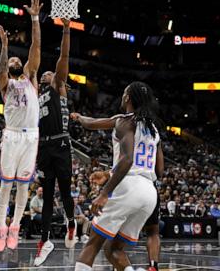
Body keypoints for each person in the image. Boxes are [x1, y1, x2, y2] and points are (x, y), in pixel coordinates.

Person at [71, 82, 163, 271]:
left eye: (123, 93)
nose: (122, 96)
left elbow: (128, 158)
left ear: (128, 97)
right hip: (149, 193)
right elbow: (159, 171)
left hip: (128, 186)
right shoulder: (153, 129)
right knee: (113, 249)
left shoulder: (124, 120)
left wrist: (105, 193)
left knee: (93, 244)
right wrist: (80, 118)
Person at [0, 0, 43, 252]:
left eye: (16, 59)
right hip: (12, 135)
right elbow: (1, 70)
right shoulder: (6, 84)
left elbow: (35, 47)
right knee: (6, 183)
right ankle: (1, 226)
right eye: (11, 60)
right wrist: (4, 46)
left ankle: (15, 227)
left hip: (31, 136)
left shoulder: (31, 76)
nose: (14, 60)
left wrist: (35, 18)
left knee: (24, 184)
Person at [34, 18, 77, 266]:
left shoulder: (58, 86)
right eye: (46, 72)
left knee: (64, 190)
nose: (47, 73)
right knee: (47, 196)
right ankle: (45, 240)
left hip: (61, 144)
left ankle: (71, 221)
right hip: (44, 147)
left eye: (50, 72)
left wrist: (67, 30)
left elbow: (64, 55)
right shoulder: (36, 94)